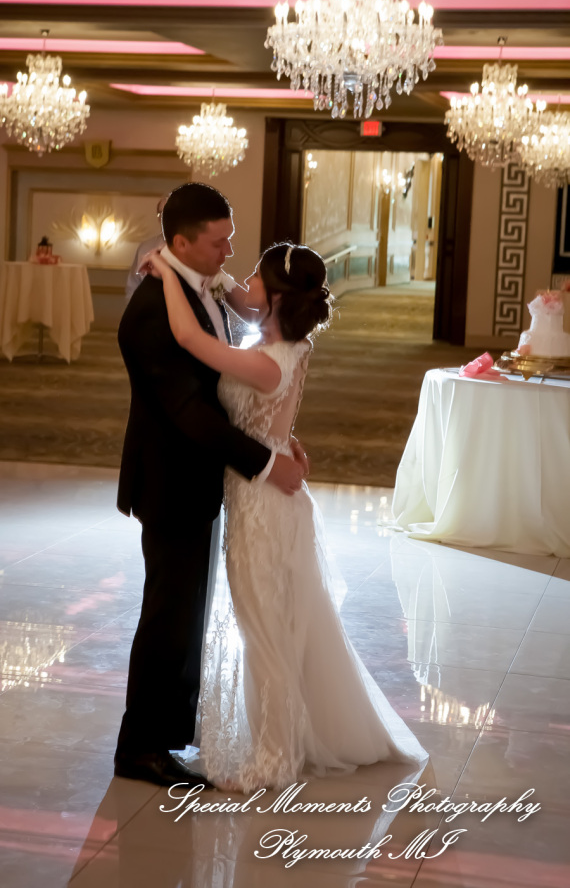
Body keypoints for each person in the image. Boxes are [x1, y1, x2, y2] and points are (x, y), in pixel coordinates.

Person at [142, 240, 428, 792]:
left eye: (253, 277)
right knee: (280, 627)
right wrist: (283, 441)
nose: (243, 282)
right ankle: (289, 737)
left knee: (264, 632)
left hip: (262, 509)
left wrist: (166, 272)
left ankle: (274, 757)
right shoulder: (288, 348)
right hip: (270, 497)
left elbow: (186, 337)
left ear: (274, 296)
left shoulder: (263, 360)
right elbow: (268, 414)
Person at [114, 183, 305, 789]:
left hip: (200, 478)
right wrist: (267, 464)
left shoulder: (203, 287)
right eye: (219, 242)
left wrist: (275, 437)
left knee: (186, 611)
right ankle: (140, 747)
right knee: (168, 614)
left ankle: (169, 735)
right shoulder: (150, 311)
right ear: (180, 242)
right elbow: (188, 413)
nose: (229, 252)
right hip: (170, 482)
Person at [124, 194, 167, 301]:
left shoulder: (192, 248)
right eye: (161, 214)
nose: (165, 218)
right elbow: (133, 285)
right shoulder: (146, 247)